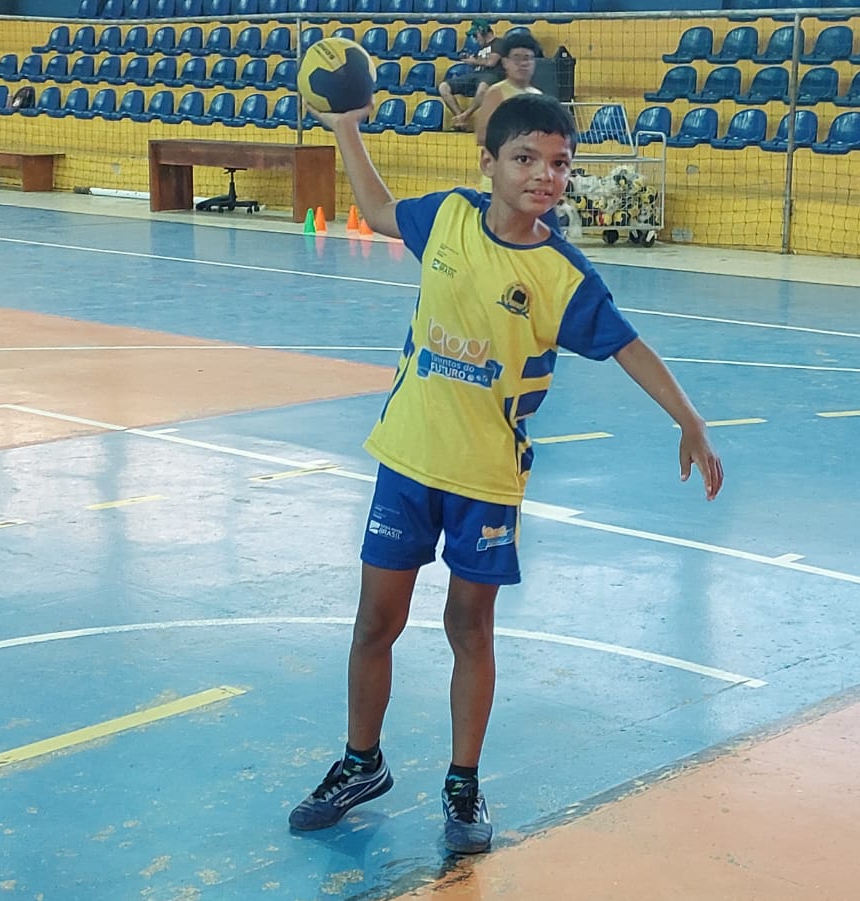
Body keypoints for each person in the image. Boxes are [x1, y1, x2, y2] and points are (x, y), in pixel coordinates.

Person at [288, 92, 725, 855]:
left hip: (487, 480)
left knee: (469, 626)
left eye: (559, 163)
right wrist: (348, 131)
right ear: (487, 162)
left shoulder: (562, 273)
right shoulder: (449, 218)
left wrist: (688, 418)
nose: (544, 175)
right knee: (373, 624)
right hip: (407, 460)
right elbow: (379, 208)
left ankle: (463, 781)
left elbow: (628, 345)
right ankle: (361, 763)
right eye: (525, 158)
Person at [436, 20, 501, 131]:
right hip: (476, 75)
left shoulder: (499, 43)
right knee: (443, 87)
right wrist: (471, 59)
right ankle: (460, 117)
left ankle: (465, 116)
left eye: (475, 35)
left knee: (482, 89)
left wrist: (474, 61)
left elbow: (491, 62)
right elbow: (479, 62)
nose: (475, 39)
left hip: (492, 75)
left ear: (483, 31)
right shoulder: (480, 49)